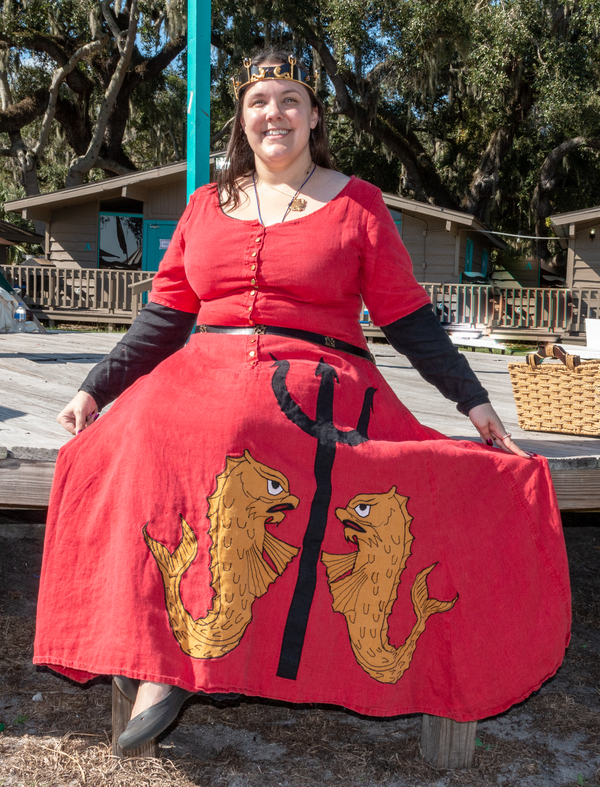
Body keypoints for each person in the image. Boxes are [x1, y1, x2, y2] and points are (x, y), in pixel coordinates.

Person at [34, 49, 570, 753]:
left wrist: (474, 401)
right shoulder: (203, 205)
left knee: (235, 427)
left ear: (315, 117)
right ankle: (161, 662)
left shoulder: (358, 204)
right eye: (260, 102)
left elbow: (407, 316)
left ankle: (198, 658)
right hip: (201, 372)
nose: (274, 114)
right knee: (133, 436)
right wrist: (93, 388)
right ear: (242, 119)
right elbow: (163, 318)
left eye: (290, 100)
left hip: (319, 384)